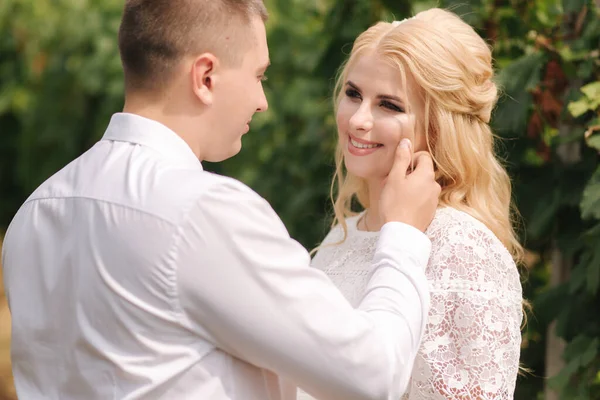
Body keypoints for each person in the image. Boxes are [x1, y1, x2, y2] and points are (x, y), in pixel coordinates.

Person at [1, 1, 441, 399]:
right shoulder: (202, 213)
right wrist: (401, 234)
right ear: (205, 77)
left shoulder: (34, 213)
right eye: (258, 75)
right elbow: (372, 374)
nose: (262, 101)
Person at [298, 8, 524, 400]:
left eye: (389, 105)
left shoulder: (463, 247)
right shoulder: (344, 234)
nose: (358, 120)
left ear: (439, 125)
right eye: (353, 94)